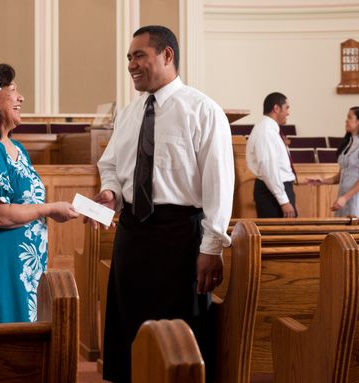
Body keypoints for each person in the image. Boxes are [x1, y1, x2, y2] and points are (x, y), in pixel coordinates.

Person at [92, 25, 234, 382]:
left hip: (180, 236)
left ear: (167, 55)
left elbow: (219, 183)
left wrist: (212, 246)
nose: (131, 65)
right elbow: (110, 165)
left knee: (180, 334)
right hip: (132, 234)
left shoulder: (203, 110)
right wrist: (111, 192)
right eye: (129, 57)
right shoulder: (129, 113)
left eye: (139, 55)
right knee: (129, 328)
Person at [0, 63, 79, 325]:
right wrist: (50, 209)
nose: (21, 98)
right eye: (13, 90)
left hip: (20, 267)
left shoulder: (16, 147)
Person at [306, 106, 359, 217]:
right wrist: (322, 181)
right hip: (343, 199)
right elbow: (342, 175)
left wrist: (345, 198)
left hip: (357, 201)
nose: (346, 120)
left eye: (349, 117)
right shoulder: (348, 144)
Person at [246, 92, 297, 218]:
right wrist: (284, 201)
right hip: (272, 193)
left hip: (276, 190)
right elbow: (268, 169)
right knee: (280, 235)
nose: (288, 112)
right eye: (287, 108)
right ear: (276, 108)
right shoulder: (265, 131)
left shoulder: (269, 129)